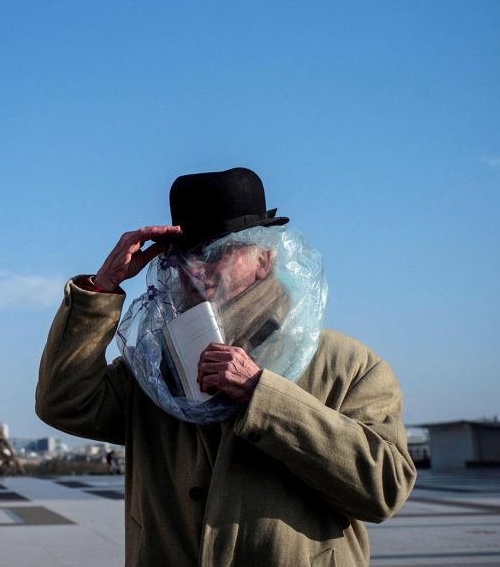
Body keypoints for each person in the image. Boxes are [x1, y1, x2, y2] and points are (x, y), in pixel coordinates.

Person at [35, 168, 416, 567]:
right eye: (184, 256)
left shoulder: (348, 365)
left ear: (264, 260)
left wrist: (262, 396)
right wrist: (100, 289)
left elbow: (385, 488)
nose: (196, 269)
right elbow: (64, 403)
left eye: (217, 252)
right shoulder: (155, 368)